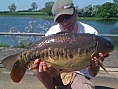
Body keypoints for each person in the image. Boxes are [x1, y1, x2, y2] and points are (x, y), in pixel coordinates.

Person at [32, 0, 107, 89]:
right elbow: (54, 73)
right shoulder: (52, 34)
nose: (65, 22)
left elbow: (93, 73)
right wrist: (50, 69)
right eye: (60, 19)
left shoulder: (90, 33)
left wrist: (94, 65)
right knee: (35, 64)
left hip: (79, 74)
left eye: (68, 16)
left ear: (76, 12)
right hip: (56, 73)